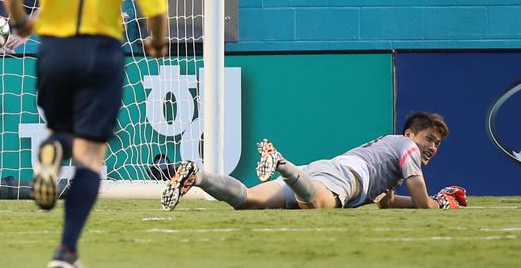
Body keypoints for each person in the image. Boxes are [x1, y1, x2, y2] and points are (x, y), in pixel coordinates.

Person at [0, 0, 168, 268]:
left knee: (60, 131)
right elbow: (157, 12)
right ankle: (66, 252)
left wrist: (21, 23)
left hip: (55, 50)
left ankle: (52, 149)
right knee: (91, 158)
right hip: (101, 51)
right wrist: (156, 43)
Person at [162, 111, 468, 212]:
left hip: (322, 172)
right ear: (410, 133)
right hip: (345, 178)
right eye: (428, 138)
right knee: (320, 205)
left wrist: (426, 200)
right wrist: (438, 204)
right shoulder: (407, 149)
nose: (432, 147)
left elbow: (384, 203)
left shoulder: (390, 150)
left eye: (437, 144)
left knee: (247, 200)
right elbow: (421, 203)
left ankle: (197, 176)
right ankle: (280, 162)